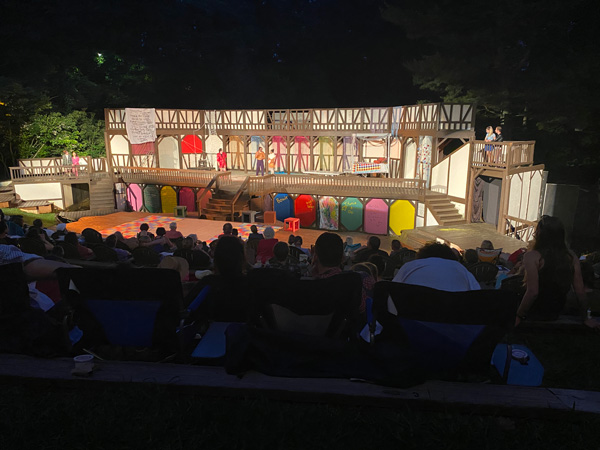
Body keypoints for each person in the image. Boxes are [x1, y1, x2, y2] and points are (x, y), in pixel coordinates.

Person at [515, 216, 599, 329]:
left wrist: (519, 316)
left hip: (533, 311)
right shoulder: (570, 257)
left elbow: (533, 292)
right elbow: (580, 291)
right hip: (555, 311)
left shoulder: (532, 256)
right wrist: (586, 318)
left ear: (540, 234)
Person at [392, 241, 480, 291]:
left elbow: (392, 291)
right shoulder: (461, 269)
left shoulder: (410, 266)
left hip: (412, 320)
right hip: (454, 320)